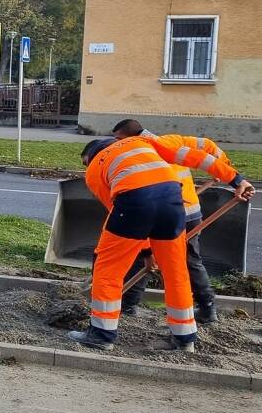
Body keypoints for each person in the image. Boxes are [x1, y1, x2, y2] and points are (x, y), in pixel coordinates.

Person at [70, 135, 253, 353]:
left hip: (133, 203)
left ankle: (101, 335)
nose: (85, 166)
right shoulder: (141, 142)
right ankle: (185, 339)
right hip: (173, 201)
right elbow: (195, 157)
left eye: (84, 162)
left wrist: (146, 250)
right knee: (176, 272)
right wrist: (237, 180)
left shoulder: (94, 170)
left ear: (91, 156)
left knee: (108, 269)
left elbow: (119, 213)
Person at [112, 119, 229, 323]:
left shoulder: (140, 154)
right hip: (189, 213)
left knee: (146, 256)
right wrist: (222, 166)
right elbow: (207, 145)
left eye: (118, 140)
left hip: (165, 213)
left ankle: (129, 305)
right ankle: (207, 308)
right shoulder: (172, 140)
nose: (117, 144)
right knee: (187, 259)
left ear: (130, 137)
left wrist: (222, 169)